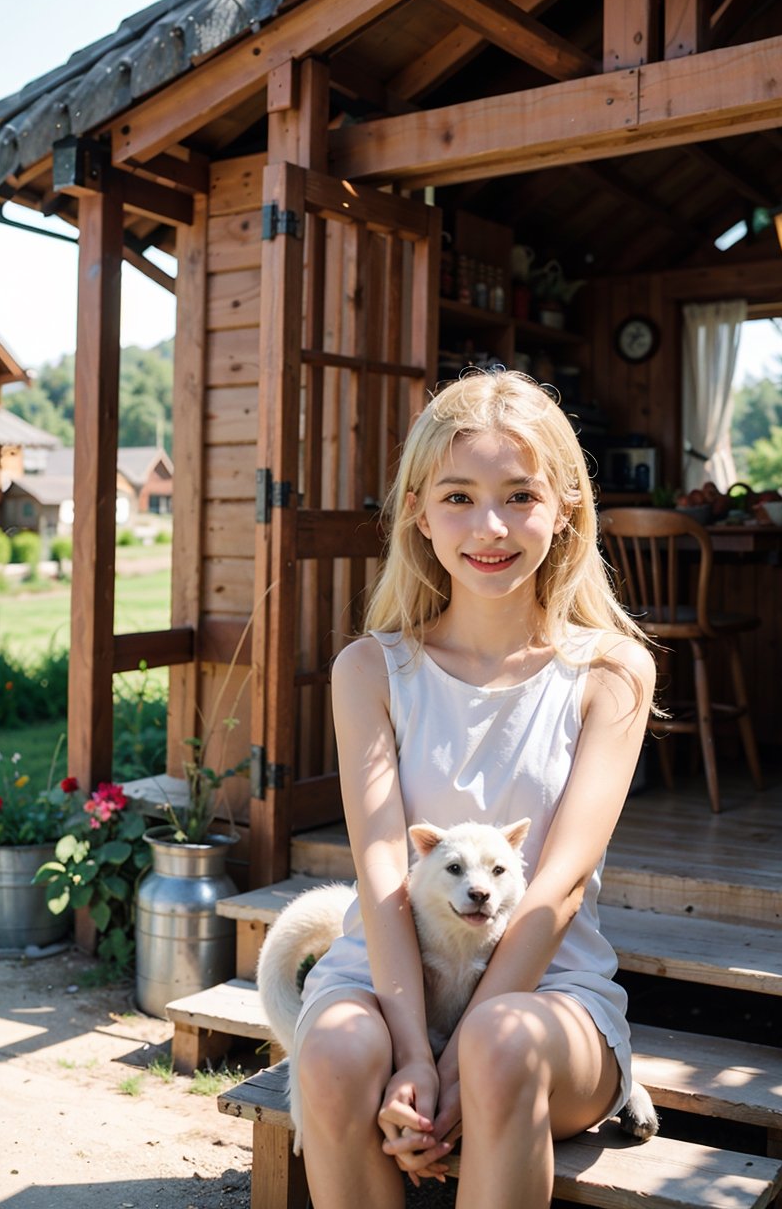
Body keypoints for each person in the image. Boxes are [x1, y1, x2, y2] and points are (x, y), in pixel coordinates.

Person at [292, 369, 656, 1208]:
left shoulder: (609, 673)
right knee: (339, 1052)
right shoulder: (371, 671)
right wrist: (415, 1052)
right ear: (418, 511)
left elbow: (555, 893)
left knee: (496, 1042)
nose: (489, 527)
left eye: (519, 494)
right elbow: (383, 877)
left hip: (549, 998)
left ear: (564, 505)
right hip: (390, 978)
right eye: (458, 496)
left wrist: (456, 1061)